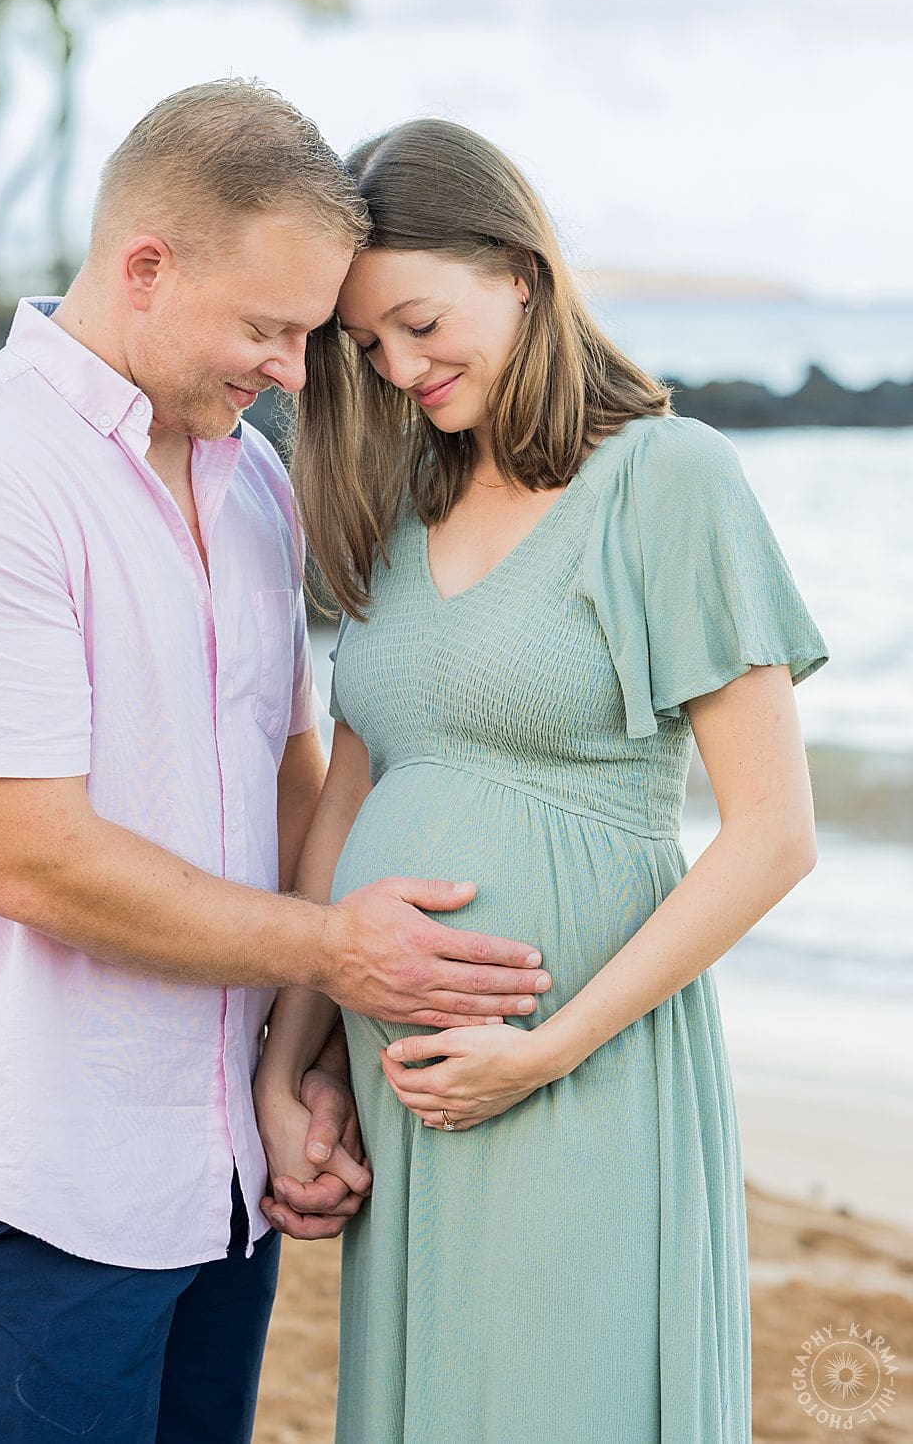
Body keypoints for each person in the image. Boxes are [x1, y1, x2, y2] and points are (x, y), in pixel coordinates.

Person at [0, 82, 554, 1444]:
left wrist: (294, 1076)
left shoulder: (252, 486)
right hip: (22, 1169)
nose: (295, 370)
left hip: (213, 1167)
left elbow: (289, 783)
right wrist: (339, 952)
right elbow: (34, 862)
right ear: (146, 266)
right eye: (269, 329)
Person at [254, 117, 829, 1443]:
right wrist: (297, 1056)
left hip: (581, 1072)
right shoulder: (402, 502)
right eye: (366, 348)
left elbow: (773, 838)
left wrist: (544, 1051)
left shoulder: (669, 483)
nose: (398, 368)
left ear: (518, 268)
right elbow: (353, 794)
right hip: (416, 1099)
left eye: (417, 321)